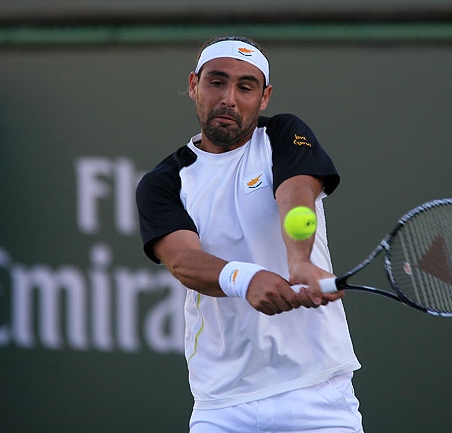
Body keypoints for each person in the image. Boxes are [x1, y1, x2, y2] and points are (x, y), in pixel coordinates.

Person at [135, 36, 364, 433]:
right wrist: (248, 279)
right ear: (194, 85)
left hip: (317, 394)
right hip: (221, 404)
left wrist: (299, 262)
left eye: (245, 87)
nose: (229, 98)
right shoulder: (163, 182)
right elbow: (183, 261)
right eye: (216, 82)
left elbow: (296, 198)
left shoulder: (284, 135)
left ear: (264, 97)